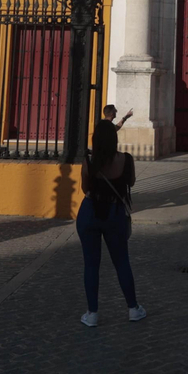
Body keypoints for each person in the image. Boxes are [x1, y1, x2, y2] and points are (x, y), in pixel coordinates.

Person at [77, 118, 145, 326]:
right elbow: (131, 182)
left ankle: (92, 314)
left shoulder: (89, 161)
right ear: (114, 139)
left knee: (91, 264)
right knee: (122, 261)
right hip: (115, 213)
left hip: (90, 212)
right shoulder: (126, 160)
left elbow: (85, 189)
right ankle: (133, 308)